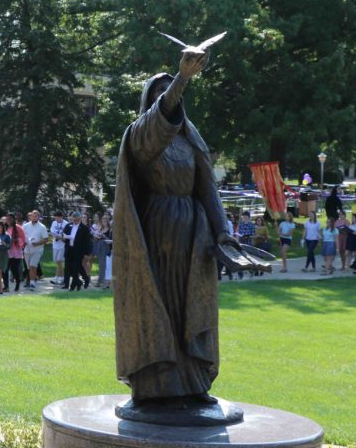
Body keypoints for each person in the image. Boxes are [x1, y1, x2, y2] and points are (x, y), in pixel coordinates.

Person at [112, 50, 236, 407]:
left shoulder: (192, 139)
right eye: (161, 92)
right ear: (150, 101)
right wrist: (181, 79)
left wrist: (222, 231)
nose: (170, 97)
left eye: (172, 90)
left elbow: (207, 187)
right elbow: (159, 120)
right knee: (163, 301)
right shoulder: (141, 135)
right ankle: (157, 382)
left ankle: (194, 381)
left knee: (192, 305)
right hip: (159, 229)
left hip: (194, 233)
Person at [62, 211, 91, 290]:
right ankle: (80, 281)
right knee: (69, 268)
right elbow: (63, 235)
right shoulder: (68, 226)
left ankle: (73, 286)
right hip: (69, 250)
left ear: (80, 219)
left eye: (77, 220)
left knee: (76, 268)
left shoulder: (84, 229)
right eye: (73, 220)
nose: (75, 221)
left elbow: (87, 242)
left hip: (78, 251)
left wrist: (87, 253)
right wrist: (64, 238)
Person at [22, 210, 49, 290]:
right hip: (27, 250)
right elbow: (22, 237)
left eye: (36, 216)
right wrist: (24, 242)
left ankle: (32, 283)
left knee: (33, 266)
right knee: (29, 268)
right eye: (32, 216)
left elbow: (46, 239)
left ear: (38, 217)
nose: (34, 217)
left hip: (37, 250)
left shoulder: (42, 227)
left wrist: (37, 243)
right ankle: (32, 280)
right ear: (30, 217)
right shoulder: (25, 226)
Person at [4, 213, 26, 292]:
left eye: (10, 218)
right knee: (5, 269)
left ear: (13, 219)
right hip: (6, 252)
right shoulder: (5, 228)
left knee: (14, 269)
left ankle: (17, 284)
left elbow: (23, 240)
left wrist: (15, 240)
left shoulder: (19, 228)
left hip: (15, 252)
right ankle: (6, 286)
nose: (8, 220)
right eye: (7, 219)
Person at [92, 214, 113, 289]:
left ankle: (104, 282)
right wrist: (97, 236)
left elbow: (110, 239)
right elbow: (97, 238)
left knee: (105, 265)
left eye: (105, 221)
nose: (104, 223)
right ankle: (100, 281)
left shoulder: (110, 230)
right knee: (101, 265)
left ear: (107, 222)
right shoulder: (101, 229)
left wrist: (103, 236)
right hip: (100, 248)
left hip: (106, 248)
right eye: (103, 221)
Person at [49, 210, 66, 285]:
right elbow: (52, 232)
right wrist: (55, 235)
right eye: (55, 217)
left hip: (62, 245)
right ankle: (60, 277)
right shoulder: (54, 223)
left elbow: (65, 236)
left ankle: (59, 278)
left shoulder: (66, 224)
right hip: (55, 244)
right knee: (56, 261)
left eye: (57, 217)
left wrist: (60, 237)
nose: (56, 219)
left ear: (61, 217)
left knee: (59, 261)